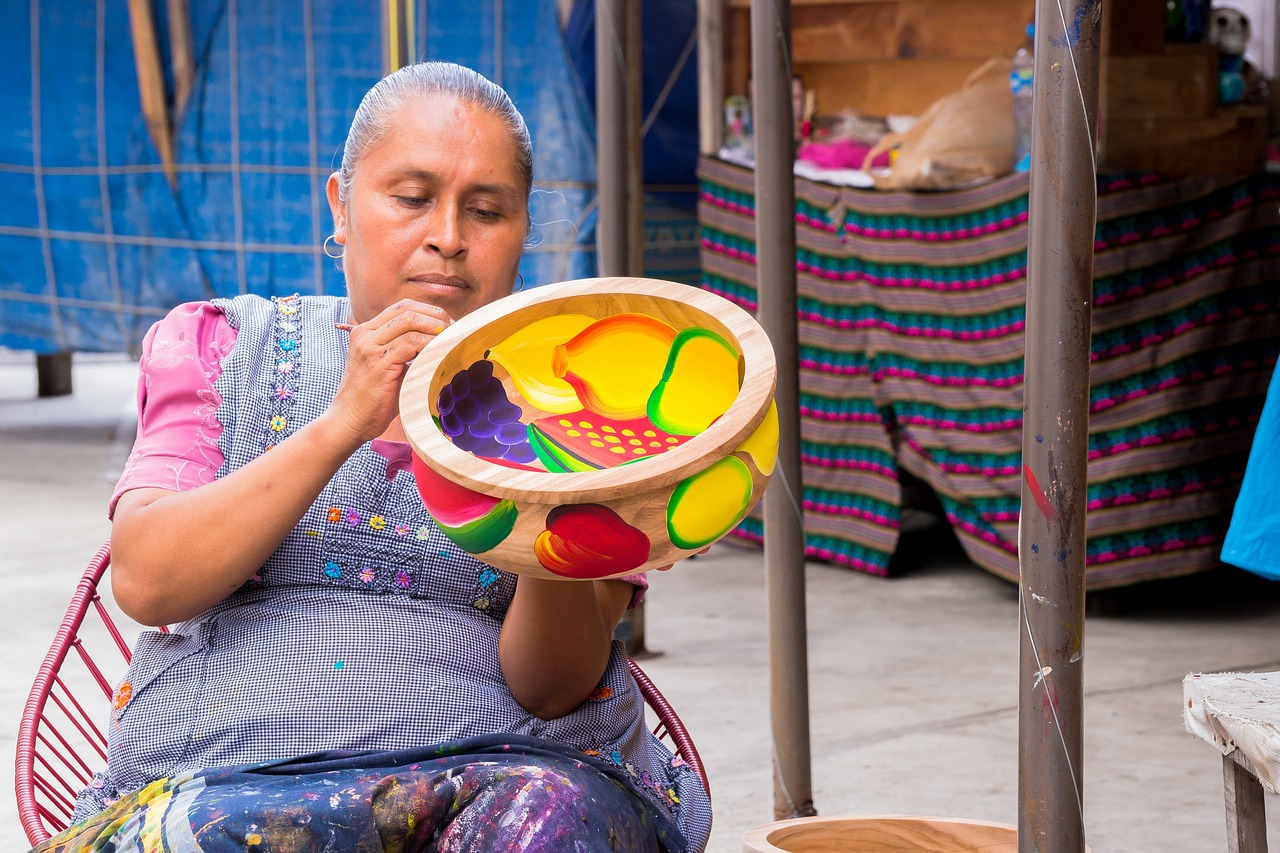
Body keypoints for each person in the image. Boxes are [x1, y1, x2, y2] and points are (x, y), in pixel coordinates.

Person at [36, 61, 711, 853]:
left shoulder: (584, 406)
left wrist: (545, 488)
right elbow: (148, 582)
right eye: (413, 197)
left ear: (523, 231)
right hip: (229, 785)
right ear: (341, 206)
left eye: (486, 210)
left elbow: (554, 686)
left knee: (551, 819)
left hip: (506, 786)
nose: (448, 236)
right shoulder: (227, 346)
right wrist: (343, 421)